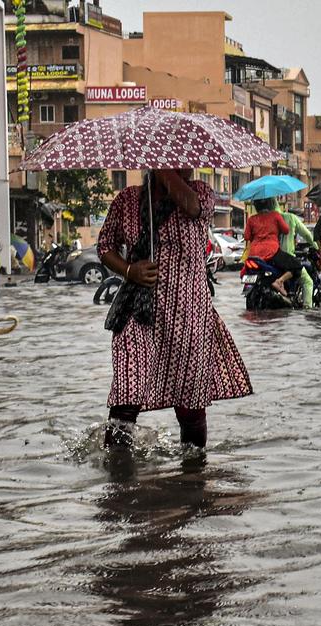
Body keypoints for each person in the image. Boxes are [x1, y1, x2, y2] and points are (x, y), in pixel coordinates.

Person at [96, 169, 252, 471]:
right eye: (175, 162)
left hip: (189, 314)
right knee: (127, 393)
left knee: (190, 406)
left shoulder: (202, 194)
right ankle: (117, 480)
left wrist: (166, 175)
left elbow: (192, 206)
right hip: (140, 310)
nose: (186, 167)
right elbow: (105, 247)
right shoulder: (127, 200)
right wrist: (130, 270)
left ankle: (193, 477)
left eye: (183, 163)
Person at [244, 198, 304, 297]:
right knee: (297, 265)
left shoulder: (251, 219)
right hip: (272, 252)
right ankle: (280, 281)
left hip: (254, 254)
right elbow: (286, 230)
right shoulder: (275, 216)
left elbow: (246, 237)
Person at [276, 201, 319, 308]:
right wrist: (316, 246)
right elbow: (306, 234)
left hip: (268, 257)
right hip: (287, 258)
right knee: (308, 282)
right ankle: (307, 308)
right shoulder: (290, 218)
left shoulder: (263, 219)